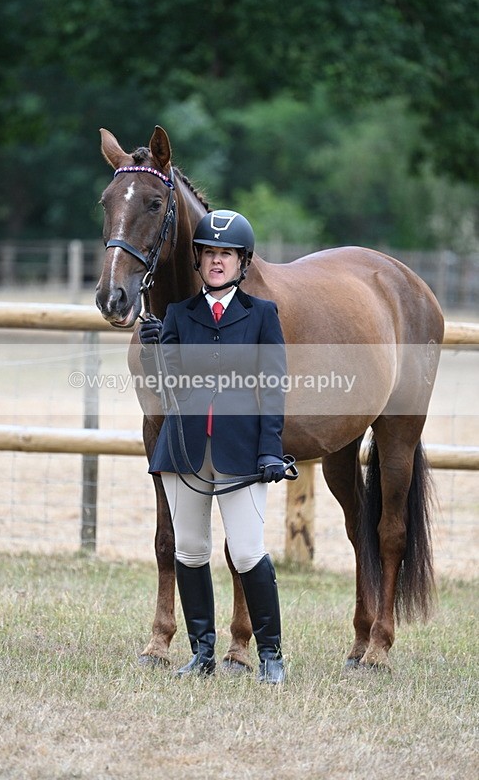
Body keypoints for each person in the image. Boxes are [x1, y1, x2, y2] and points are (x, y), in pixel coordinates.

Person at [139, 210, 287, 684]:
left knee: (247, 553)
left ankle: (270, 655)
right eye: (209, 254)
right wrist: (155, 349)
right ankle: (202, 652)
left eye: (226, 254)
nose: (216, 261)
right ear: (198, 261)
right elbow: (169, 390)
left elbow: (273, 388)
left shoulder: (262, 315)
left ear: (242, 262)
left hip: (242, 452)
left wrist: (269, 450)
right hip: (183, 450)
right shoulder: (179, 316)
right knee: (191, 550)